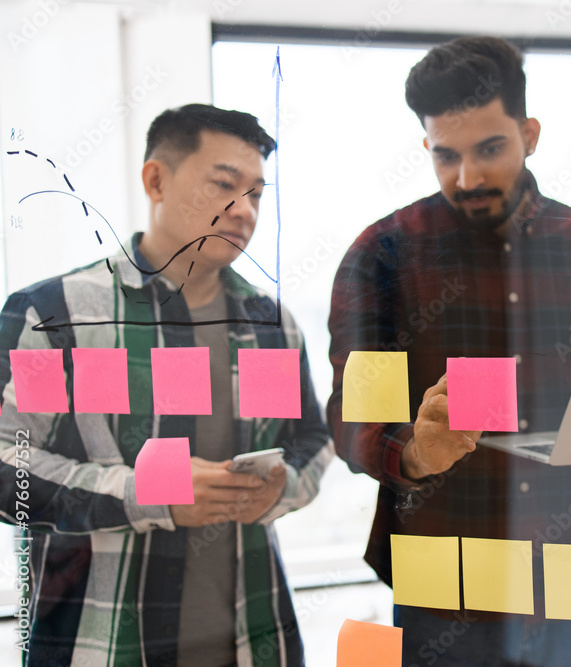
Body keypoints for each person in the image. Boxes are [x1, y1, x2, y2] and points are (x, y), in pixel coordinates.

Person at [328, 36, 571, 666]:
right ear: (426, 147)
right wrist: (414, 451)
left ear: (530, 133)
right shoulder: (381, 254)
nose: (467, 178)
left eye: (490, 149)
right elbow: (354, 423)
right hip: (445, 576)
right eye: (446, 156)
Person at [0, 104, 334, 666]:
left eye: (256, 193)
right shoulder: (53, 316)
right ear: (156, 180)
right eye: (224, 185)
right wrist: (145, 493)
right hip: (101, 644)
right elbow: (8, 466)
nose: (245, 210)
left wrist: (283, 488)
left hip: (256, 639)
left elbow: (313, 441)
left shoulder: (269, 324)